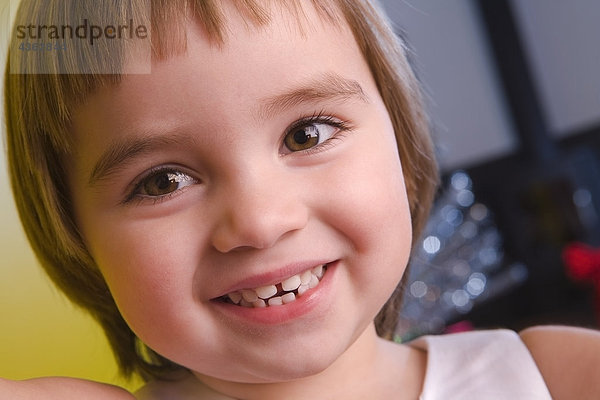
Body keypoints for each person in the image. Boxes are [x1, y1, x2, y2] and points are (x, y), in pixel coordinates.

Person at [2, 0, 599, 399]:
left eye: (306, 134)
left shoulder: (554, 378)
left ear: (399, 139)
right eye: (163, 181)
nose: (261, 221)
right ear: (75, 237)